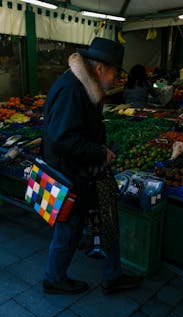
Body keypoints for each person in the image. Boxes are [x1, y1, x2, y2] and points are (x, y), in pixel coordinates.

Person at [42, 37, 143, 295]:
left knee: (107, 219)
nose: (118, 79)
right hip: (72, 175)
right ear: (100, 69)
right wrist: (99, 152)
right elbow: (62, 139)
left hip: (89, 171)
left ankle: (112, 275)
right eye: (116, 73)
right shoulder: (71, 89)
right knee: (69, 229)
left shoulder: (84, 85)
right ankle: (53, 279)